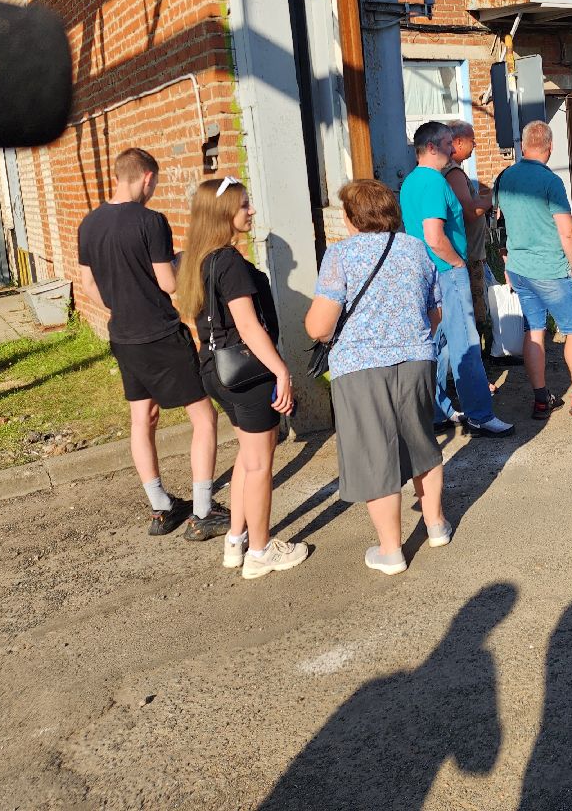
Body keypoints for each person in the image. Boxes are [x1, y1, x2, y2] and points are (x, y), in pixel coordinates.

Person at [305, 180, 451, 576]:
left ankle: (391, 550)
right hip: (417, 360)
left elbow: (319, 326)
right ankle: (435, 525)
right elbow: (435, 312)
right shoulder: (415, 248)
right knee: (422, 441)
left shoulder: (339, 256)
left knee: (375, 453)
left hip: (361, 367)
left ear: (352, 217)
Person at [76, 147, 223, 540]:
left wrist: (122, 304)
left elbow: (89, 285)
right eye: (154, 181)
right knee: (203, 418)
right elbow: (169, 284)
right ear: (145, 177)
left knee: (143, 419)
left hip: (123, 335)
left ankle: (161, 507)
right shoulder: (151, 221)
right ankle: (205, 511)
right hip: (160, 333)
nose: (154, 188)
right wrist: (180, 259)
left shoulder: (88, 224)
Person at [174, 177, 309, 579]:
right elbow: (249, 327)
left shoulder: (198, 259)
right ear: (223, 214)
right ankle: (261, 551)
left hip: (217, 370)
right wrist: (281, 370)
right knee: (259, 464)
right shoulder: (229, 262)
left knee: (248, 460)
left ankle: (236, 541)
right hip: (248, 373)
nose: (250, 211)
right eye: (244, 205)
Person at [495, 120, 572, 419]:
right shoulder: (550, 182)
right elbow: (568, 230)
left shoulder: (504, 177)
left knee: (534, 331)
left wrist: (506, 262)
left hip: (520, 269)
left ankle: (541, 400)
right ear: (549, 149)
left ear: (522, 146)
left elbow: (498, 224)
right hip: (551, 269)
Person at [400, 121, 515, 438]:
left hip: (425, 271)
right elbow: (434, 235)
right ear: (433, 147)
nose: (454, 148)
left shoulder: (411, 182)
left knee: (439, 344)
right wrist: (457, 264)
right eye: (449, 143)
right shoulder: (436, 183)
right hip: (446, 272)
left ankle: (437, 410)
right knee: (465, 344)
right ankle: (480, 414)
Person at [443, 121, 494, 342]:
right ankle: (479, 363)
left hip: (470, 252)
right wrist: (494, 198)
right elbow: (469, 211)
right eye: (473, 141)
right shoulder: (453, 172)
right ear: (459, 142)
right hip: (468, 254)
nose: (475, 146)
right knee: (474, 311)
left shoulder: (454, 171)